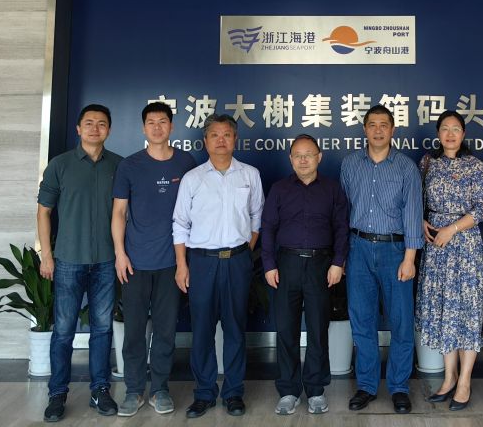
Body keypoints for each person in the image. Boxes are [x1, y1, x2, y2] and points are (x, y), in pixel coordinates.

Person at [172, 114, 264, 418]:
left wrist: (244, 251)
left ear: (235, 139)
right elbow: (180, 224)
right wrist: (182, 265)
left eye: (227, 134)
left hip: (237, 262)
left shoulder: (250, 175)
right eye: (215, 135)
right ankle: (204, 393)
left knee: (235, 328)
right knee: (201, 330)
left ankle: (234, 393)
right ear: (206, 141)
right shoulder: (193, 178)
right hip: (201, 262)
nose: (221, 140)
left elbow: (257, 217)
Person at [110, 102, 198, 417]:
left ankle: (160, 389)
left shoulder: (186, 163)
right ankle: (133, 391)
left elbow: (194, 212)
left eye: (163, 121)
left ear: (172, 127)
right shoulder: (130, 165)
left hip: (171, 263)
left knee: (165, 330)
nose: (157, 127)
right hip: (134, 262)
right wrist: (120, 253)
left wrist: (185, 261)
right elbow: (119, 212)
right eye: (151, 122)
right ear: (143, 127)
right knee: (134, 331)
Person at [37, 104, 123, 423]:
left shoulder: (119, 165)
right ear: (78, 128)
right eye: (89, 123)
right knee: (63, 331)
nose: (94, 128)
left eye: (101, 124)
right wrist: (47, 255)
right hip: (68, 260)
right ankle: (57, 393)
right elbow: (44, 212)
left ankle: (100, 390)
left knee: (102, 328)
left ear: (109, 130)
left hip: (105, 261)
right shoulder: (60, 165)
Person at [340, 104, 424, 414]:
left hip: (395, 251)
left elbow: (413, 213)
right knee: (362, 321)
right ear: (364, 129)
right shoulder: (350, 164)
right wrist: (342, 255)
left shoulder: (405, 167)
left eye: (383, 125)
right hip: (358, 248)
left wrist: (410, 258)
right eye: (372, 124)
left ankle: (399, 387)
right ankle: (366, 385)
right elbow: (343, 211)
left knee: (401, 323)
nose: (378, 130)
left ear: (392, 130)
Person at [260, 134, 350, 416]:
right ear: (290, 159)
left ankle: (315, 390)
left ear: (319, 157)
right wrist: (269, 265)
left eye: (308, 154)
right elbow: (268, 228)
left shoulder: (332, 189)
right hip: (285, 264)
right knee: (285, 329)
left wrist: (338, 263)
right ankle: (288, 391)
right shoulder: (279, 189)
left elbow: (341, 228)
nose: (303, 160)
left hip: (321, 266)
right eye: (297, 155)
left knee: (317, 329)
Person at [416, 110, 483, 411]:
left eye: (456, 129)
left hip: (465, 247)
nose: (450, 134)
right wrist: (422, 221)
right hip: (436, 247)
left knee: (467, 312)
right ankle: (449, 378)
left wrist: (452, 228)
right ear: (438, 134)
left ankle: (465, 382)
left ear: (463, 134)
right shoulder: (427, 163)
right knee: (444, 311)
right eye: (445, 128)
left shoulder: (476, 166)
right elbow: (416, 201)